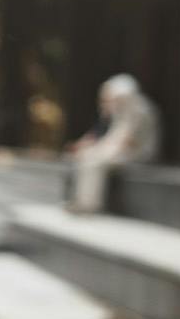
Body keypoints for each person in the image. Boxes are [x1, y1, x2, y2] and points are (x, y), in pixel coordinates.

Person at [66, 74, 160, 214]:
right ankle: (80, 200)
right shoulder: (124, 110)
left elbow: (128, 141)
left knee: (94, 162)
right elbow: (114, 136)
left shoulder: (140, 110)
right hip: (122, 151)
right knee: (87, 156)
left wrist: (101, 151)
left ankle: (88, 204)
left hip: (138, 153)